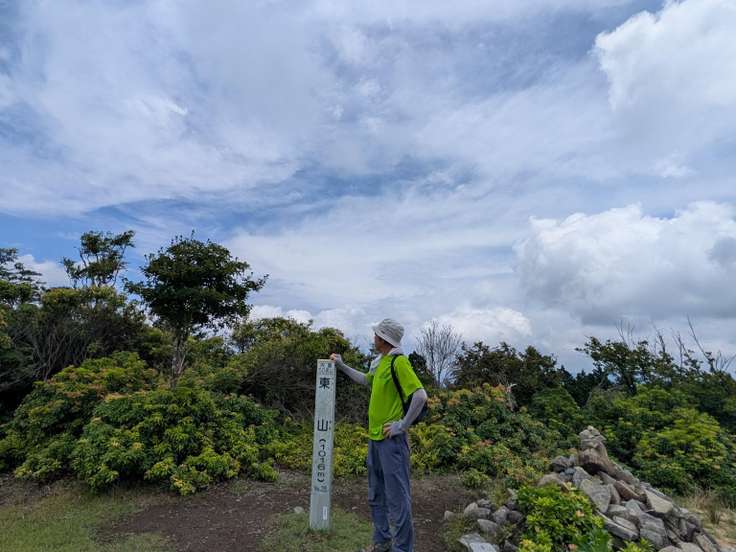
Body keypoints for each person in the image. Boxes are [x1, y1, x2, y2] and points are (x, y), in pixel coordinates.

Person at [330, 318, 428, 552]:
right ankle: (382, 542)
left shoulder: (399, 362)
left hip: (392, 442)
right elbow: (366, 380)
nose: (373, 338)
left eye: (376, 335)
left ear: (383, 339)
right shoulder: (381, 362)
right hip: (375, 439)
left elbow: (420, 396)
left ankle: (402, 548)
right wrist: (342, 366)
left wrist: (401, 426)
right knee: (376, 495)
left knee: (397, 498)